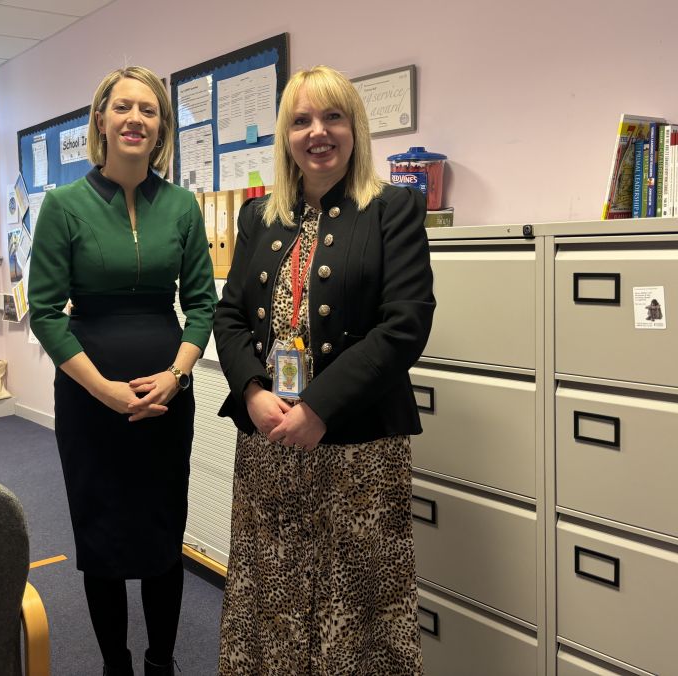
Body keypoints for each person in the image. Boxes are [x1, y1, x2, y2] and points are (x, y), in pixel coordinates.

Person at [214, 65, 436, 675]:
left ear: (355, 128)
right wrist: (253, 391)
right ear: (286, 135)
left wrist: (320, 407)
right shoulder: (259, 218)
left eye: (333, 117)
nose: (319, 132)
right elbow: (229, 314)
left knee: (358, 594)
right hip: (268, 437)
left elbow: (405, 323)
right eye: (302, 120)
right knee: (272, 585)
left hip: (357, 443)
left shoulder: (393, 208)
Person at [28, 66, 217, 676]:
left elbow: (202, 304)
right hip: (89, 401)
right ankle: (116, 665)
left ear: (162, 127)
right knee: (102, 537)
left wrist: (178, 374)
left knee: (164, 534)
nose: (136, 119)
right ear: (102, 120)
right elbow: (46, 312)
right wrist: (104, 389)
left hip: (167, 399)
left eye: (150, 110)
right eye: (124, 107)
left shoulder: (183, 206)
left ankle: (162, 662)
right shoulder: (64, 206)